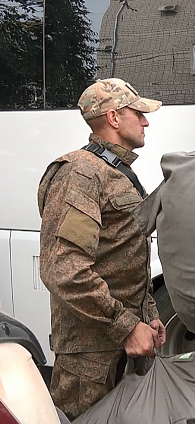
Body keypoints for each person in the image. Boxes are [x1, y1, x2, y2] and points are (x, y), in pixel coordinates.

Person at [38, 78, 166, 420]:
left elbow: (124, 254)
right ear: (113, 118)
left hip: (121, 345)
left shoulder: (115, 172)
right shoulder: (80, 174)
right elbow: (64, 269)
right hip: (90, 359)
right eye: (137, 113)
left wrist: (148, 315)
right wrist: (126, 326)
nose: (145, 121)